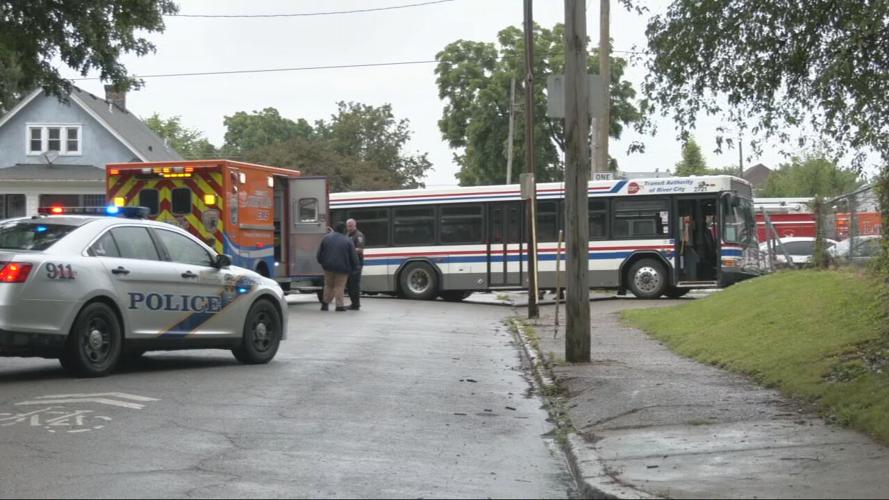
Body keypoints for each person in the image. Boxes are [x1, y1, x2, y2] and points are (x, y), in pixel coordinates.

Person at [316, 222, 359, 312]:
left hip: (328, 266)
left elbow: (319, 253)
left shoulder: (326, 238)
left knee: (328, 285)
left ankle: (325, 304)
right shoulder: (348, 240)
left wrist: (322, 262)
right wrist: (356, 266)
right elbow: (353, 256)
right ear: (344, 230)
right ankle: (339, 306)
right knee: (339, 286)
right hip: (342, 268)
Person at [345, 218, 365, 310]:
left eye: (350, 226)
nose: (349, 228)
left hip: (357, 263)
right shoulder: (347, 235)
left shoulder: (359, 235)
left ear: (354, 225)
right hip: (349, 263)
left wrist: (349, 250)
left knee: (354, 284)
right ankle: (353, 303)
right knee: (349, 284)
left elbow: (360, 249)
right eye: (348, 226)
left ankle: (356, 304)